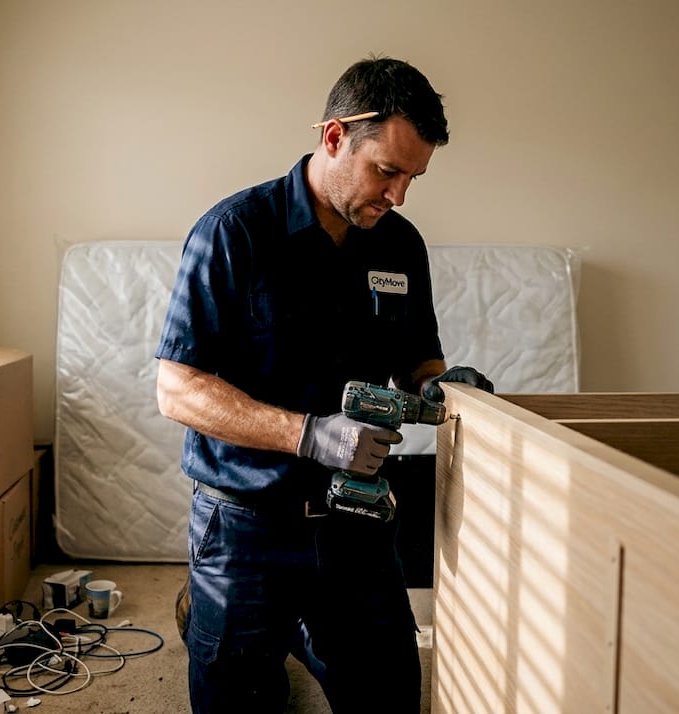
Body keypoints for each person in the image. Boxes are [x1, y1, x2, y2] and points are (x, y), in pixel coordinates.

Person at [154, 55, 494, 713]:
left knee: (391, 697)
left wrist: (440, 386)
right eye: (387, 172)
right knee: (242, 698)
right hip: (246, 524)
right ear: (335, 137)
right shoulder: (235, 232)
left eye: (413, 179)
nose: (398, 196)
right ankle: (210, 612)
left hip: (357, 523)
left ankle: (300, 635)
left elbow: (418, 361)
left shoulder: (399, 247)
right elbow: (178, 388)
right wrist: (308, 435)